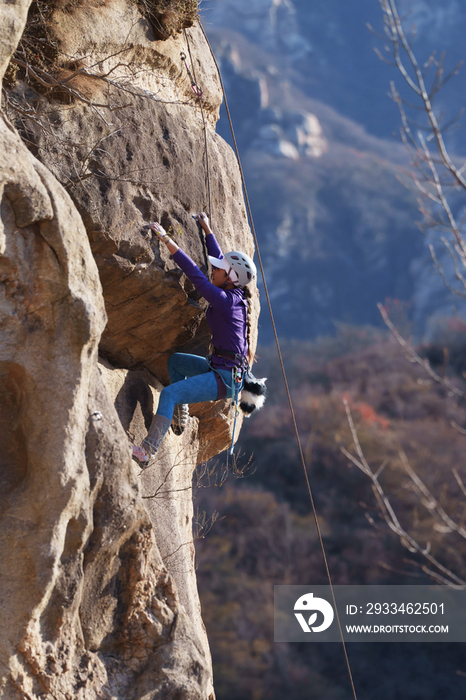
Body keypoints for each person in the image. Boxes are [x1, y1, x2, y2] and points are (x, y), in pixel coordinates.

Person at [131, 212, 257, 468]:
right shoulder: (232, 292)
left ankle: (147, 452)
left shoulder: (225, 301)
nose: (214, 270)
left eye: (219, 270)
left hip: (226, 377)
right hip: (221, 366)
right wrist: (207, 229)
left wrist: (167, 240)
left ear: (230, 278)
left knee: (169, 393)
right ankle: (181, 412)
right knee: (176, 362)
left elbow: (196, 276)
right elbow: (221, 260)